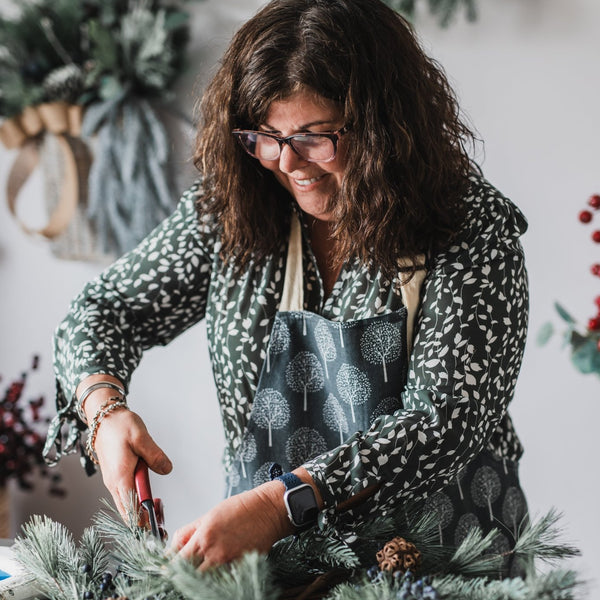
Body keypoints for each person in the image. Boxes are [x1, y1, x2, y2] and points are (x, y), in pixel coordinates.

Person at [44, 0, 529, 574]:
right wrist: (105, 411)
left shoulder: (469, 226)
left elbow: (443, 421)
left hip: (440, 565)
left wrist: (281, 504)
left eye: (315, 136)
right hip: (270, 571)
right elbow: (104, 310)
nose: (287, 162)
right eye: (265, 137)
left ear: (386, 128)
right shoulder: (234, 212)